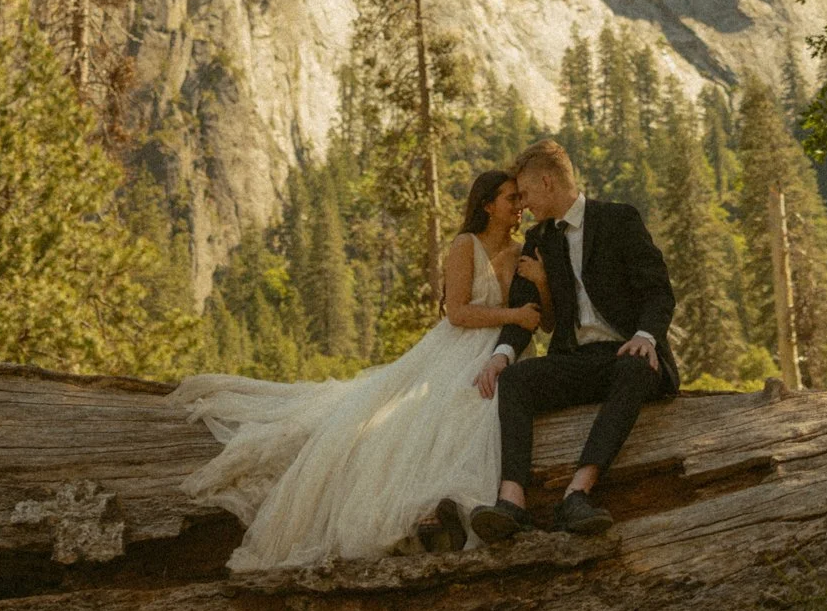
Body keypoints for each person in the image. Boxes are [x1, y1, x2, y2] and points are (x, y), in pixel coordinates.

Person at [171, 170, 549, 569]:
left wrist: (532, 298)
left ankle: (452, 503)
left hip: (502, 350)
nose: (519, 207)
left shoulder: (521, 251)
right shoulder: (465, 245)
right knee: (436, 410)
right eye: (511, 199)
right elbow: (456, 312)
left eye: (519, 199)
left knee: (481, 411)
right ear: (488, 205)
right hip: (457, 346)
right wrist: (512, 313)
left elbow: (536, 316)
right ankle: (422, 505)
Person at [470, 138, 678, 541]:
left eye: (526, 193)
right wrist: (502, 355)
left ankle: (577, 495)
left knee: (634, 366)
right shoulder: (538, 240)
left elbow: (659, 291)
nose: (524, 204)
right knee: (515, 381)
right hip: (578, 360)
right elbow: (525, 310)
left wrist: (645, 336)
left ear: (548, 182)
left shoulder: (618, 220)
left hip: (629, 354)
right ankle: (512, 501)